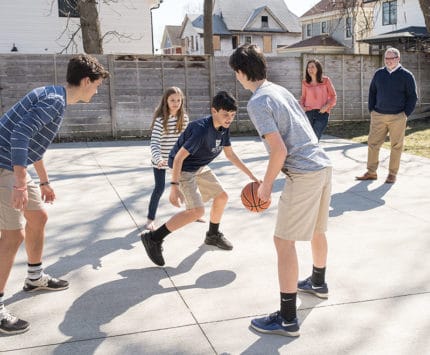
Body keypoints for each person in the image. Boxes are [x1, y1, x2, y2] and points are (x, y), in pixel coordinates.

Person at [0, 54, 109, 335]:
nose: (96, 91)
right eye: (96, 86)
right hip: (4, 168)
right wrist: (21, 183)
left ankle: (34, 278)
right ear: (86, 81)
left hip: (13, 165)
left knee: (38, 217)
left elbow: (30, 141)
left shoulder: (52, 95)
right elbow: (19, 137)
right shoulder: (54, 102)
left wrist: (44, 180)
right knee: (13, 234)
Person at [229, 44, 332, 337]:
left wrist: (265, 185)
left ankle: (287, 319)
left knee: (283, 241)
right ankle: (318, 282)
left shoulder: (258, 102)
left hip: (305, 172)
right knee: (315, 229)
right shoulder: (279, 90)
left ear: (240, 72)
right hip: (323, 165)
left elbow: (279, 150)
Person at [140, 91, 258, 266]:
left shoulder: (224, 129)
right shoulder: (201, 130)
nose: (229, 119)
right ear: (214, 111)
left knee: (222, 196)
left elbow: (230, 154)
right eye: (226, 114)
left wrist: (253, 176)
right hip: (184, 169)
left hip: (199, 166)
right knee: (196, 211)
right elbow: (179, 158)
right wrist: (174, 187)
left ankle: (212, 235)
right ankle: (154, 238)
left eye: (232, 115)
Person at [356, 47, 417, 184]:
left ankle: (392, 174)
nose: (388, 61)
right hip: (378, 115)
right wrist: (371, 109)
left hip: (398, 117)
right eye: (386, 58)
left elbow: (412, 97)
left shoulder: (407, 76)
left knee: (396, 146)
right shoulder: (379, 74)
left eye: (391, 58)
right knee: (372, 144)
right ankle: (371, 172)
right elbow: (372, 92)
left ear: (398, 59)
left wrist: (405, 114)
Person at [144, 87, 189, 231]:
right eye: (172, 100)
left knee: (187, 185)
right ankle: (150, 219)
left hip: (177, 161)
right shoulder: (160, 120)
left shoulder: (184, 118)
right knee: (159, 188)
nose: (176, 103)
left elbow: (186, 141)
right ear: (166, 101)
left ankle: (193, 212)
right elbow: (155, 143)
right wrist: (158, 159)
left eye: (178, 100)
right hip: (161, 161)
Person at [300, 59, 337, 140]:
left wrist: (326, 107)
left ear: (318, 69)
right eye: (308, 67)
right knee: (308, 138)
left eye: (312, 67)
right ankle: (311, 152)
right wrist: (302, 107)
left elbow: (333, 96)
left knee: (315, 137)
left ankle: (312, 152)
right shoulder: (305, 82)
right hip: (308, 113)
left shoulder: (326, 80)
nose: (310, 69)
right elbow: (303, 97)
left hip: (322, 113)